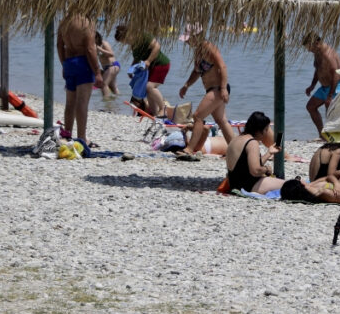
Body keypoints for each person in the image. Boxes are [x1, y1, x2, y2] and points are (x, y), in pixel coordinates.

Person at [176, 24, 237, 159]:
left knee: (198, 116)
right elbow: (197, 71)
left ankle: (189, 149)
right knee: (221, 121)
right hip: (212, 89)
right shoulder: (198, 51)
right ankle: (235, 153)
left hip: (217, 89)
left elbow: (222, 66)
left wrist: (223, 88)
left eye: (188, 39)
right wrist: (186, 85)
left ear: (196, 37)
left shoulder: (209, 47)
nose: (186, 42)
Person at [57, 13, 102, 148]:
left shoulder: (64, 21)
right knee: (82, 102)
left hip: (69, 62)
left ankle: (67, 135)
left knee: (70, 103)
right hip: (83, 63)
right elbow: (89, 48)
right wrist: (98, 72)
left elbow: (59, 45)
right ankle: (82, 138)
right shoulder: (86, 22)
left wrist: (64, 64)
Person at [115, 24, 171, 117]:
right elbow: (137, 58)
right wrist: (131, 69)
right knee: (147, 89)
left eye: (125, 41)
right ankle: (155, 113)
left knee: (150, 87)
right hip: (150, 67)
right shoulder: (134, 45)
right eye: (123, 43)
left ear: (129, 34)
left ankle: (163, 109)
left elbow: (157, 47)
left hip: (161, 64)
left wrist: (148, 61)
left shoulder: (144, 37)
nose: (126, 43)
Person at [224, 111, 284, 194]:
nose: (267, 133)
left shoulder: (237, 139)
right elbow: (255, 171)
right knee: (290, 184)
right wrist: (266, 169)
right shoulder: (252, 143)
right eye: (266, 129)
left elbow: (247, 166)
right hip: (249, 186)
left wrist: (269, 153)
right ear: (259, 130)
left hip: (234, 184)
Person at [302, 32, 340, 136]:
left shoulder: (327, 54)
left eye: (309, 47)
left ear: (316, 43)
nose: (308, 50)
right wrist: (312, 85)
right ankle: (322, 134)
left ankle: (335, 136)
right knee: (310, 107)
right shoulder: (317, 52)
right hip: (324, 87)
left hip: (336, 86)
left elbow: (336, 74)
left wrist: (330, 95)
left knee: (329, 108)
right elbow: (318, 69)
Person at [95, 32, 120, 98]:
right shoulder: (94, 46)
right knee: (113, 87)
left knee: (104, 85)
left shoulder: (104, 44)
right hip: (106, 68)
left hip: (112, 66)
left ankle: (107, 103)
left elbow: (111, 54)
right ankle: (118, 103)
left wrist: (100, 49)